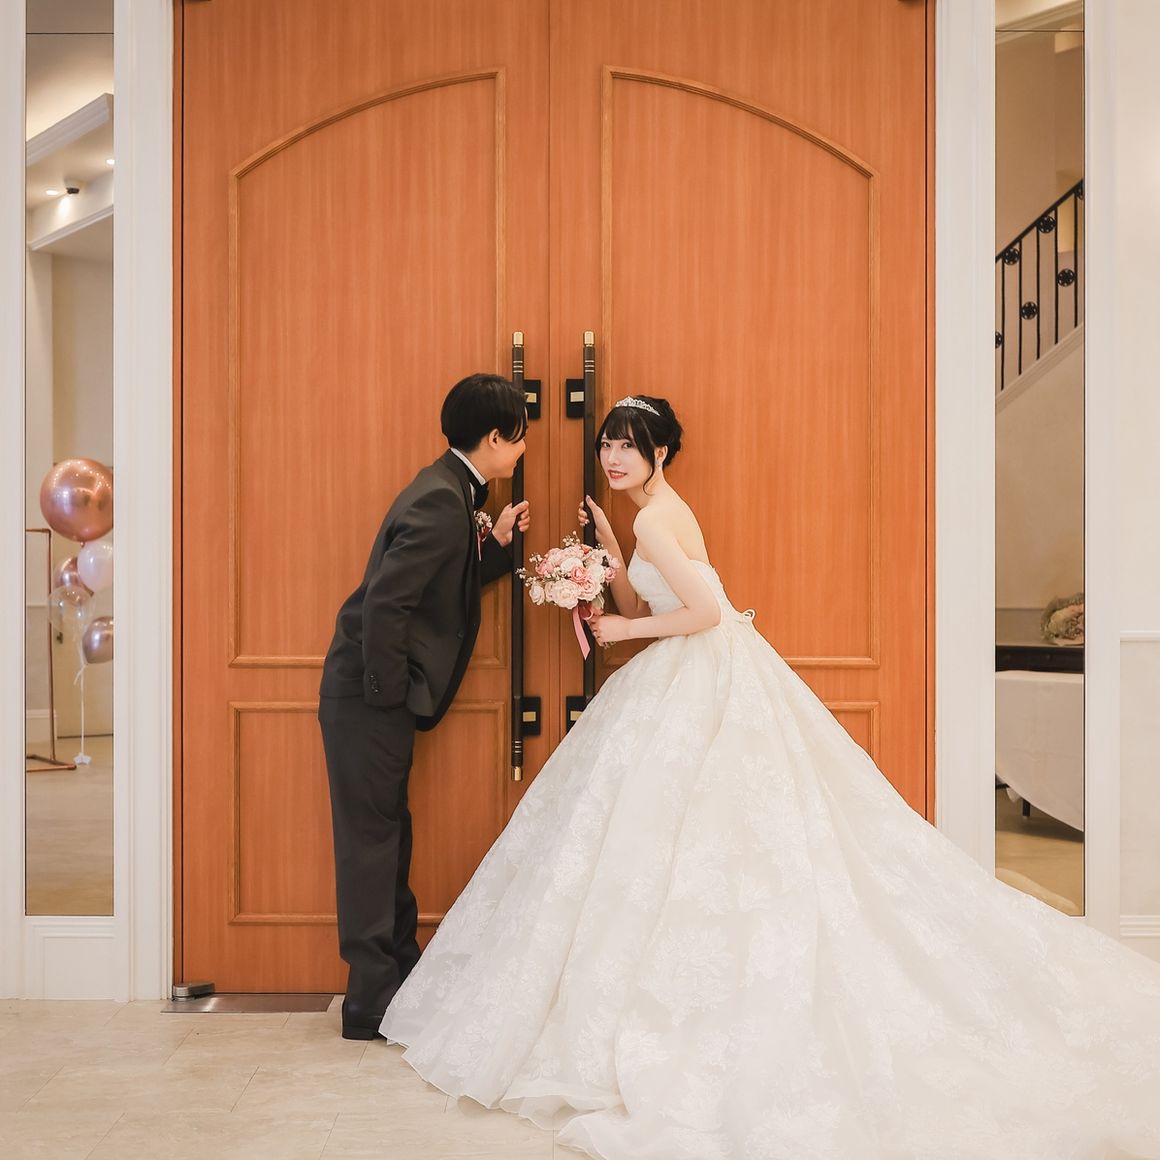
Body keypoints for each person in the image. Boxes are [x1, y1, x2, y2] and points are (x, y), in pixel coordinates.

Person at [380, 395, 1160, 1159]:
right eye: (607, 444)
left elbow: (702, 614)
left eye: (628, 445)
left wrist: (621, 623)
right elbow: (662, 596)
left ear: (660, 452)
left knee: (689, 840)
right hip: (699, 674)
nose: (612, 457)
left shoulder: (656, 517)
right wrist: (611, 560)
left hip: (698, 675)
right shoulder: (652, 516)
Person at [318, 372, 530, 1041]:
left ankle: (397, 977)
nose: (522, 450)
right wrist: (389, 699)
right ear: (494, 437)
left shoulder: (449, 489)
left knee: (388, 837)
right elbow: (385, 604)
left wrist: (495, 548)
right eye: (519, 438)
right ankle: (368, 1000)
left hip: (373, 696)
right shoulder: (441, 499)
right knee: (370, 845)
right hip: (368, 697)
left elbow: (440, 582)